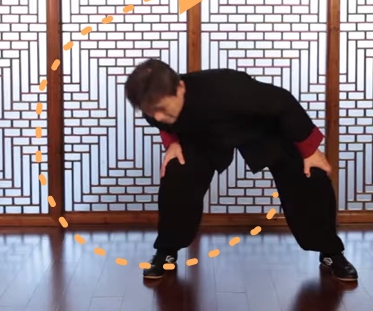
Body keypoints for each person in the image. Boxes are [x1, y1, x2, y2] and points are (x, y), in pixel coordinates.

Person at [124, 59, 358, 282]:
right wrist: (172, 143)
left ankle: (331, 252)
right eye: (151, 112)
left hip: (264, 130)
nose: (158, 117)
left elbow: (284, 102)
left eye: (162, 109)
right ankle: (167, 251)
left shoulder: (228, 89)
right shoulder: (153, 107)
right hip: (204, 138)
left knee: (311, 176)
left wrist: (309, 150)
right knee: (177, 174)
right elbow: (162, 123)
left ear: (181, 88)